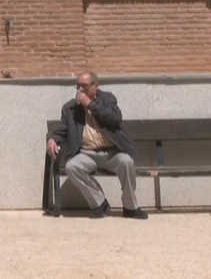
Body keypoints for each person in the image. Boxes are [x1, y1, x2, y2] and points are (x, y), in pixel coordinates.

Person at [45, 71, 148, 219]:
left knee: (127, 162)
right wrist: (52, 139)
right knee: (72, 167)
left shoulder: (108, 99)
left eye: (85, 86)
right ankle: (100, 203)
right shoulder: (70, 108)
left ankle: (130, 207)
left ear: (96, 86)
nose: (81, 89)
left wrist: (90, 104)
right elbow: (63, 129)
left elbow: (115, 118)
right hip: (87, 153)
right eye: (78, 86)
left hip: (112, 152)